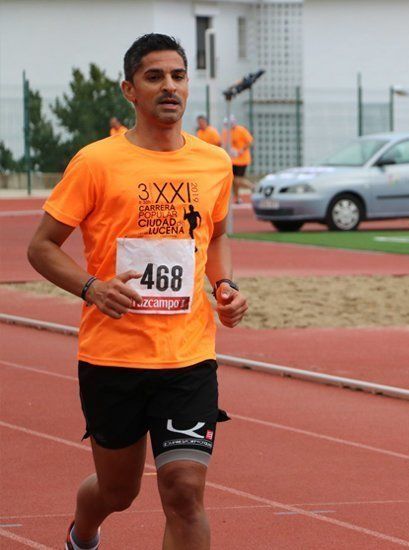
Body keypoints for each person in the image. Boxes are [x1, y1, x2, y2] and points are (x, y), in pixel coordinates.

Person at [27, 33, 248, 550]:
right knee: (118, 490)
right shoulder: (96, 162)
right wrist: (91, 288)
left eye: (178, 76)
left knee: (184, 491)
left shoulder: (213, 163)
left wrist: (225, 285)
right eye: (154, 77)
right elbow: (41, 247)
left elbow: (214, 236)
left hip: (188, 358)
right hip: (113, 357)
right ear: (129, 89)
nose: (169, 87)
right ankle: (83, 534)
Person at [222, 116, 254, 203]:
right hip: (232, 160)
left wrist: (241, 150)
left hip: (242, 160)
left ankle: (252, 187)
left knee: (237, 180)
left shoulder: (241, 130)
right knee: (233, 181)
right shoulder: (225, 132)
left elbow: (250, 142)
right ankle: (237, 198)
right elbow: (224, 144)